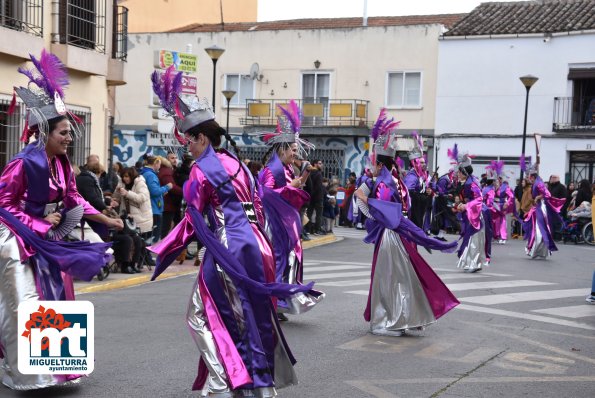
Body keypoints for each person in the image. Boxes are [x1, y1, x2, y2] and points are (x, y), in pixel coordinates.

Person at [149, 67, 314, 396]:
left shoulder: (200, 171)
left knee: (200, 313)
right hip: (258, 246)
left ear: (202, 138)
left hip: (228, 247)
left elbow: (192, 221)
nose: (186, 148)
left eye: (189, 140)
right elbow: (260, 207)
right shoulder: (237, 163)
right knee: (250, 315)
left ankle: (224, 380)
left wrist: (159, 249)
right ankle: (257, 386)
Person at [0, 50, 122, 390]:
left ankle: (57, 368)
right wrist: (40, 221)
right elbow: (3, 203)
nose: (69, 138)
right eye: (63, 133)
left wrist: (105, 219)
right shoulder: (24, 163)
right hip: (17, 240)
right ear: (45, 132)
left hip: (47, 240)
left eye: (70, 132)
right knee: (24, 302)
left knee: (57, 298)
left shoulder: (62, 164)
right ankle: (26, 374)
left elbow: (73, 198)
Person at [354, 109, 458, 336]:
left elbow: (383, 213)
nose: (370, 166)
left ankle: (389, 321)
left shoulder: (384, 183)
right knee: (403, 277)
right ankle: (404, 317)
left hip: (390, 236)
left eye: (373, 161)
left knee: (390, 280)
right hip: (399, 234)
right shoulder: (396, 180)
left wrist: (365, 201)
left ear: (380, 163)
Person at [258, 100, 324, 320]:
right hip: (275, 225)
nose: (296, 154)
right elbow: (265, 194)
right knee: (278, 261)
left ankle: (280, 301)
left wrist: (299, 181)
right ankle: (272, 302)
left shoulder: (286, 167)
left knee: (287, 262)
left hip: (286, 225)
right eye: (293, 150)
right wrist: (291, 187)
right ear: (282, 149)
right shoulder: (271, 170)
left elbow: (289, 192)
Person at [449, 145, 488, 272]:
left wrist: (466, 205)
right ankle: (470, 263)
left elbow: (479, 199)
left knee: (473, 239)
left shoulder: (472, 183)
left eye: (459, 172)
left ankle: (474, 264)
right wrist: (459, 204)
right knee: (469, 238)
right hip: (469, 215)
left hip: (475, 216)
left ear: (464, 172)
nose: (457, 174)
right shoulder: (466, 182)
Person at [111, 167, 154, 271]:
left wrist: (127, 193)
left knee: (137, 239)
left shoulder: (140, 183)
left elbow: (142, 198)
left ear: (132, 175)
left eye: (127, 176)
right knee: (132, 239)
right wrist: (115, 200)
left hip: (140, 217)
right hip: (127, 218)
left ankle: (134, 263)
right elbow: (116, 197)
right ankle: (127, 264)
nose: (125, 179)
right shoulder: (121, 183)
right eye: (123, 176)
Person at [521, 161, 565, 259]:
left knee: (540, 230)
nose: (528, 178)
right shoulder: (536, 183)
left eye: (528, 176)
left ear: (532, 176)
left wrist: (538, 197)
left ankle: (536, 251)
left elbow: (548, 195)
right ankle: (538, 251)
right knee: (536, 230)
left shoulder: (539, 183)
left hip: (540, 209)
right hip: (536, 208)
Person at [140, 155, 172, 243]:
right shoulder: (151, 175)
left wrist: (161, 193)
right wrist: (166, 187)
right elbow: (154, 191)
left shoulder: (144, 173)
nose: (160, 167)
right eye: (159, 165)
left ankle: (147, 255)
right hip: (154, 209)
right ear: (156, 163)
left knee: (148, 235)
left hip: (150, 207)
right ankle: (148, 254)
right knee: (153, 236)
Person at [404, 133, 431, 232]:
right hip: (413, 212)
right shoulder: (412, 177)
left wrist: (426, 191)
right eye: (422, 162)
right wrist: (423, 197)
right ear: (415, 163)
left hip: (419, 210)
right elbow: (408, 194)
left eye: (424, 162)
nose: (424, 164)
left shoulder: (420, 175)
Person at [159, 154, 183, 238]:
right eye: (172, 158)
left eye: (176, 158)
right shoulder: (166, 171)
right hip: (167, 204)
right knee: (165, 228)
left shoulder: (171, 170)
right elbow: (172, 187)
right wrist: (185, 191)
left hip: (170, 203)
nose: (175, 160)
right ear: (167, 160)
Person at [491, 163, 515, 244]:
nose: (498, 180)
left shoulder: (505, 187)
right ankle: (495, 236)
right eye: (497, 178)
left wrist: (507, 203)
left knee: (502, 221)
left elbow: (511, 196)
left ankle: (503, 237)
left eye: (500, 178)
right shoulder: (493, 186)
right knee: (494, 221)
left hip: (501, 205)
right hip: (494, 205)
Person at [306, 159, 325, 235]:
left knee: (309, 213)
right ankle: (317, 229)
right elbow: (318, 187)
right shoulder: (318, 174)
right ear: (315, 164)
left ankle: (308, 229)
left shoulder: (309, 173)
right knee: (319, 214)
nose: (321, 165)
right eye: (319, 163)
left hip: (310, 196)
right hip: (318, 197)